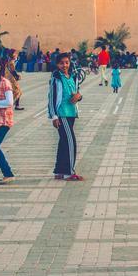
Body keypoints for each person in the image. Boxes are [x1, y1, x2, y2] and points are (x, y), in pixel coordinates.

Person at [47, 53, 83, 181]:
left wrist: (78, 96)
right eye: (61, 63)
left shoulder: (73, 76)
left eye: (66, 62)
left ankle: (59, 171)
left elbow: (78, 92)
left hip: (72, 113)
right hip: (61, 114)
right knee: (70, 142)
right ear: (57, 64)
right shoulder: (56, 78)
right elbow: (51, 98)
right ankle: (69, 172)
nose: (64, 65)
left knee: (63, 142)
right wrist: (54, 116)